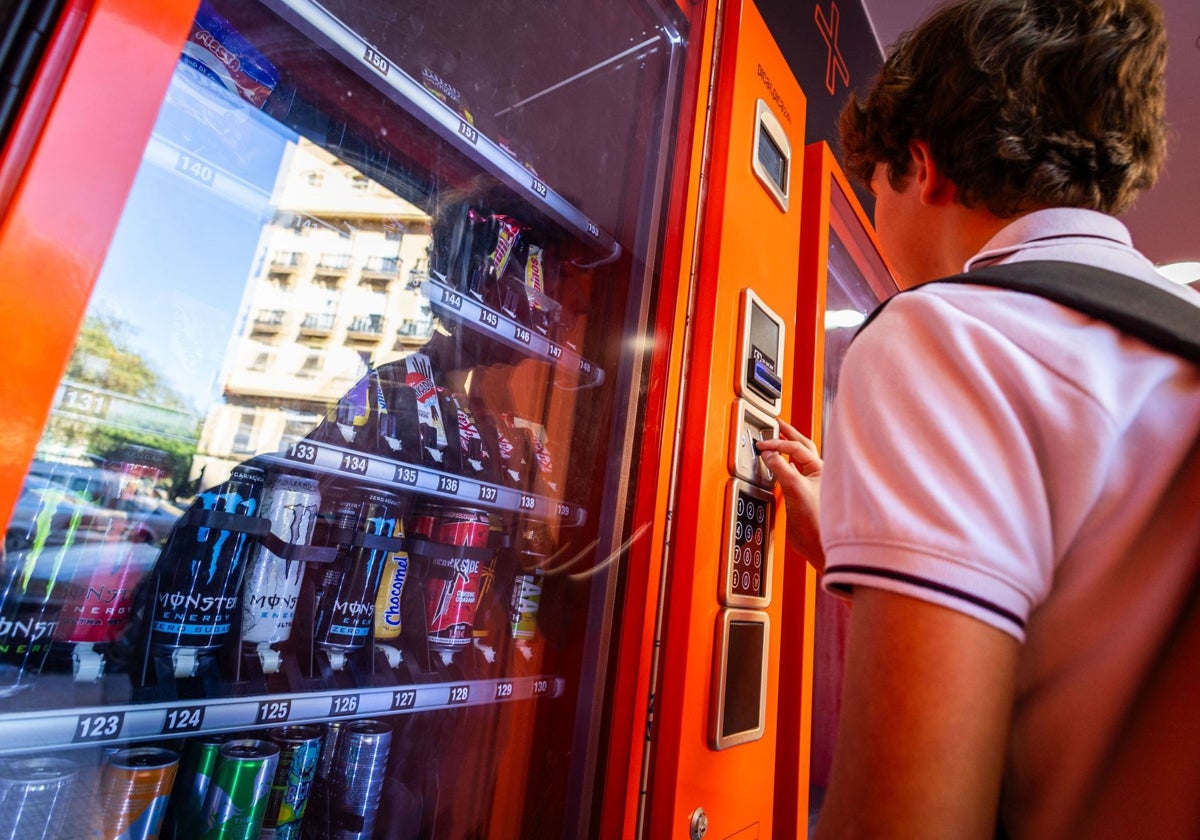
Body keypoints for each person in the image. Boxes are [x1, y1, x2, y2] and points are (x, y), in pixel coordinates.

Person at [756, 0, 1200, 837]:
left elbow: (908, 820)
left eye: (874, 183)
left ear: (922, 169)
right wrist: (869, 560)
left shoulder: (946, 332)